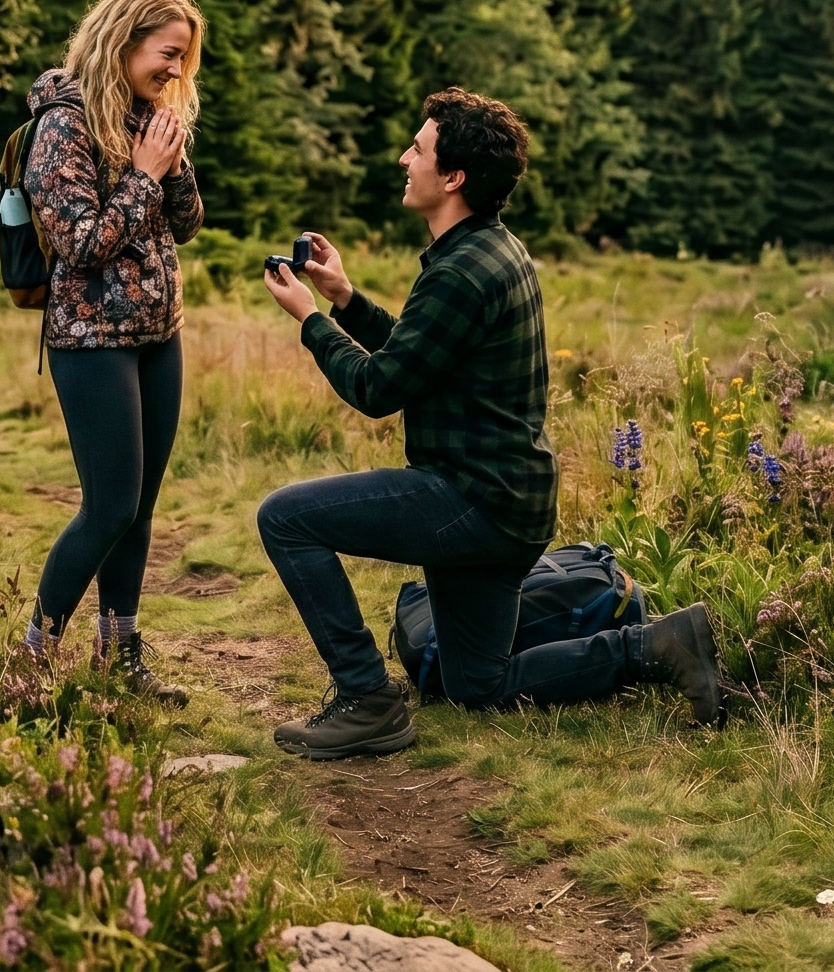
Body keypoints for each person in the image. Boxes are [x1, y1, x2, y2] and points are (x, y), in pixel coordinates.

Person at [256, 88, 722, 759]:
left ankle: (366, 698)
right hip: (508, 502)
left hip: (472, 503)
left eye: (417, 150)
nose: (402, 159)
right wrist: (346, 300)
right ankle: (657, 645)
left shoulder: (462, 270)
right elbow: (420, 355)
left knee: (285, 518)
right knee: (479, 683)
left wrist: (309, 319)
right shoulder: (490, 251)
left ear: (453, 178)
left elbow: (377, 387)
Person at [19, 0, 205, 703]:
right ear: (124, 41)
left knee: (142, 506)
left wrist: (171, 158)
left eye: (184, 60)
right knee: (109, 507)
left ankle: (119, 659)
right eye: (167, 54)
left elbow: (185, 224)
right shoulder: (62, 126)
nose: (175, 70)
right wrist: (142, 175)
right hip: (91, 339)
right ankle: (31, 661)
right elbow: (82, 244)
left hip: (160, 334)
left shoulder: (146, 115)